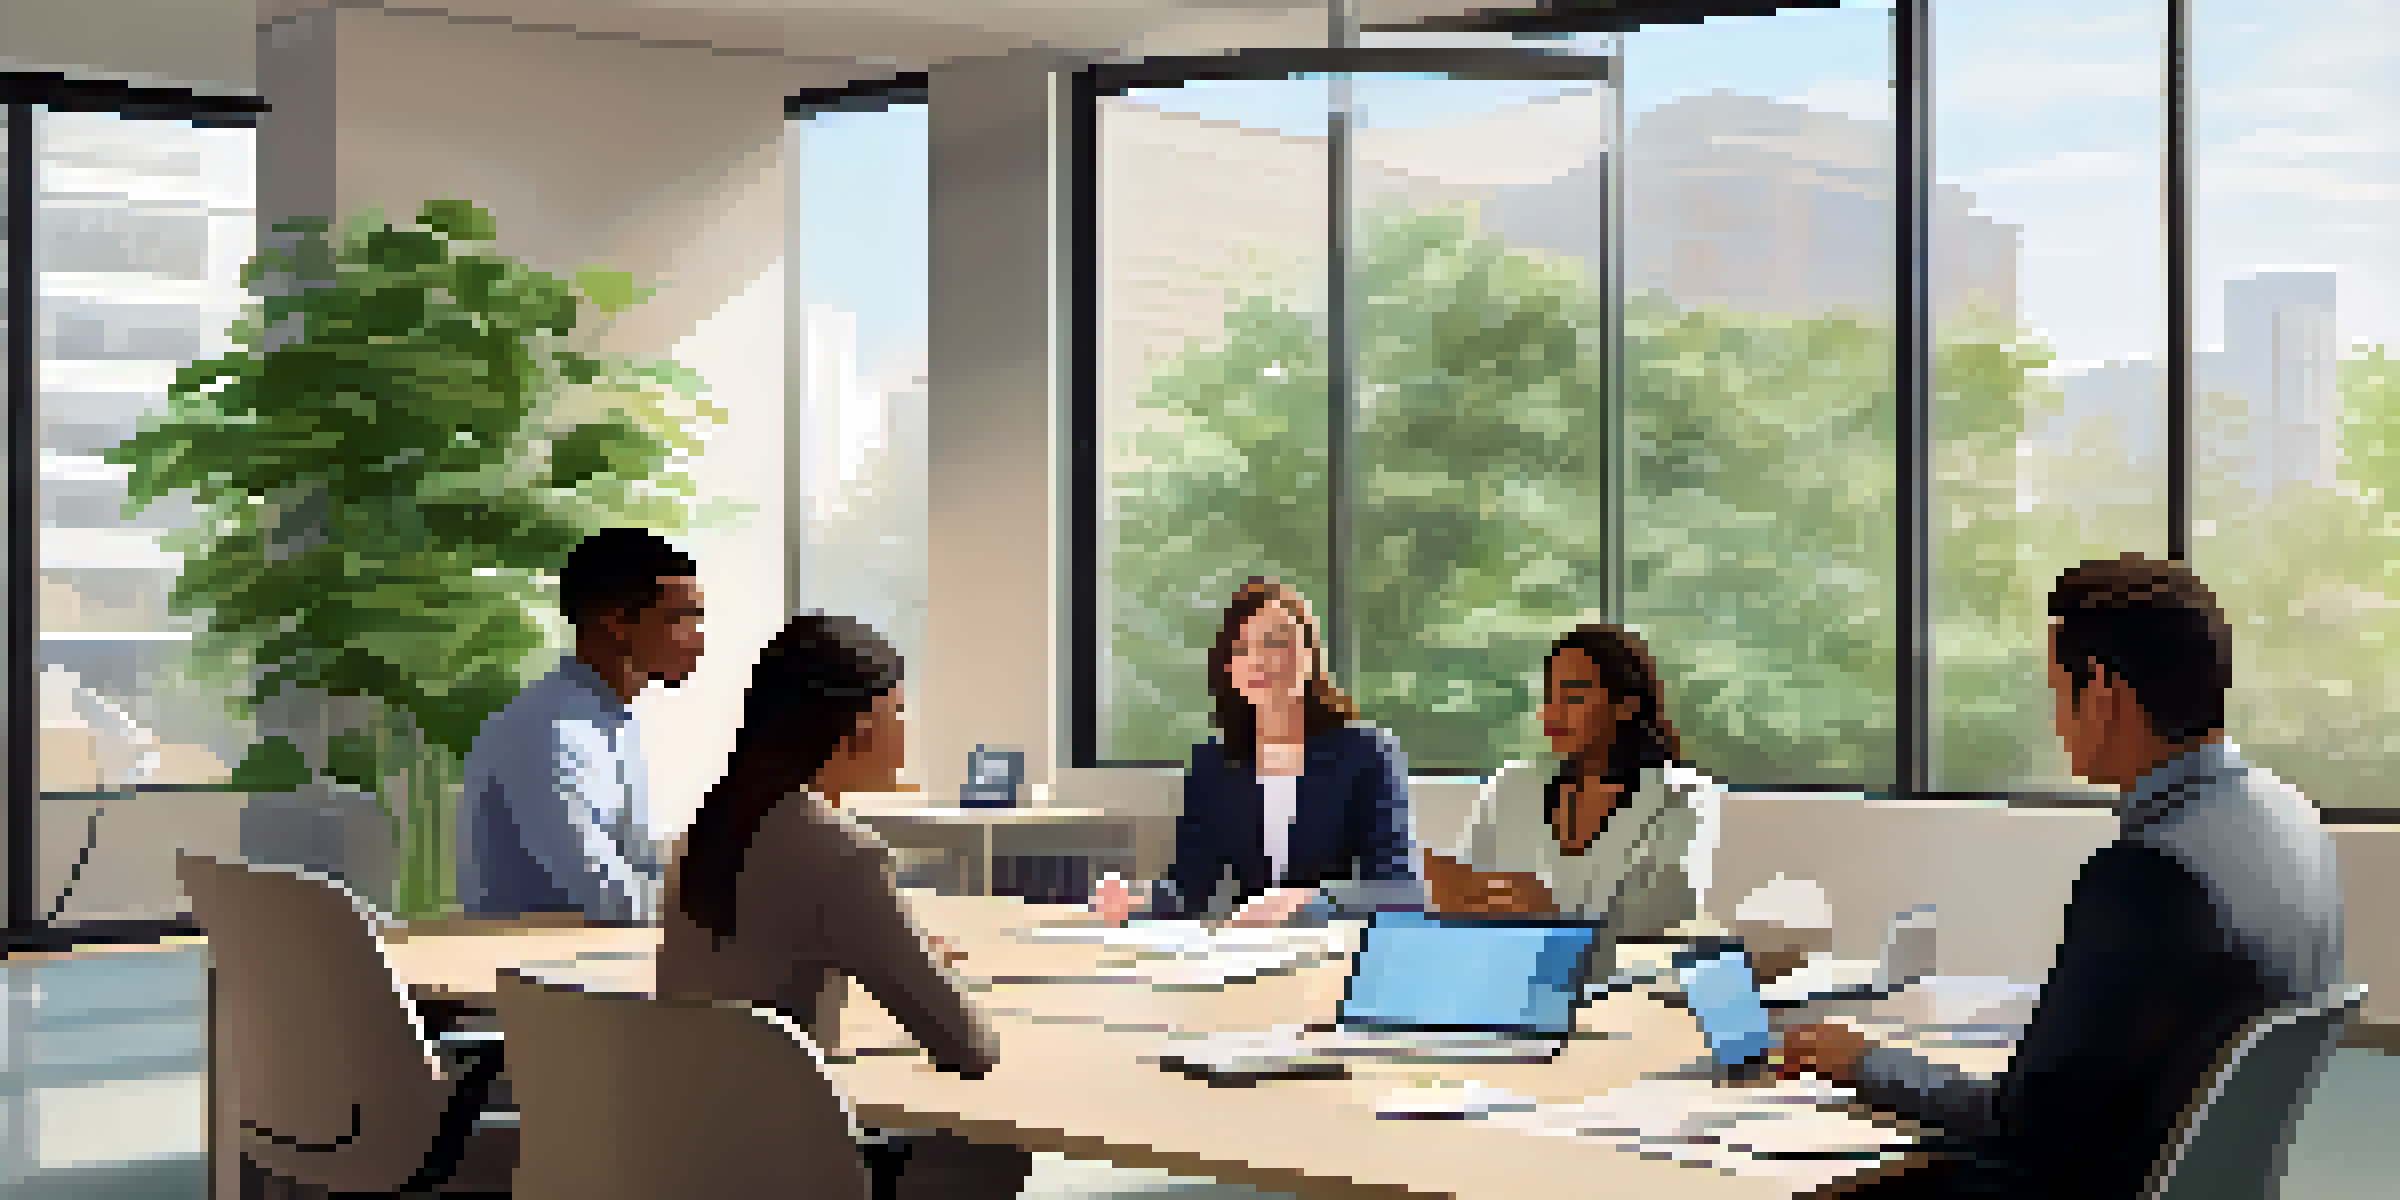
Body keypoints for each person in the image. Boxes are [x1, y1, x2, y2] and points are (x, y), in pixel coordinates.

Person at [1772, 554, 2345, 1200]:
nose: (2055, 719)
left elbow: (2025, 1123)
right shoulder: (2292, 817)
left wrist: (1863, 1062)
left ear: (2100, 692)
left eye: (2054, 690)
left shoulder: (2150, 871)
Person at [656, 613, 1032, 1200]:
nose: (908, 731)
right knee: (993, 1150)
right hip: (788, 1159)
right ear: (856, 726)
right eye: (899, 712)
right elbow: (967, 1047)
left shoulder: (707, 828)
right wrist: (931, 969)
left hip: (690, 1149)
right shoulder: (838, 848)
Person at [1091, 577, 1414, 926]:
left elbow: (1398, 889)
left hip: (1343, 953)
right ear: (1230, 668)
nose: (1259, 659)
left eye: (1275, 642)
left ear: (1309, 655)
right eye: (1242, 648)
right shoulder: (1213, 764)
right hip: (1249, 955)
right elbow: (1188, 890)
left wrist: (1307, 901)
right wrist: (1135, 901)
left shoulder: (1368, 752)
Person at [458, 528, 702, 922]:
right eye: (680, 619)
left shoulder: (608, 721)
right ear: (615, 623)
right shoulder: (550, 733)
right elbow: (604, 893)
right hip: (534, 974)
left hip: (591, 962)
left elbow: (636, 867)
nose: (698, 641)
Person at [1421, 624, 1721, 936]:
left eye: (1573, 696)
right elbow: (1467, 913)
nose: (1551, 713)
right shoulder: (1512, 785)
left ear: (1626, 706)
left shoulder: (1680, 797)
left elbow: (1657, 929)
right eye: (1548, 696)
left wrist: (1547, 914)